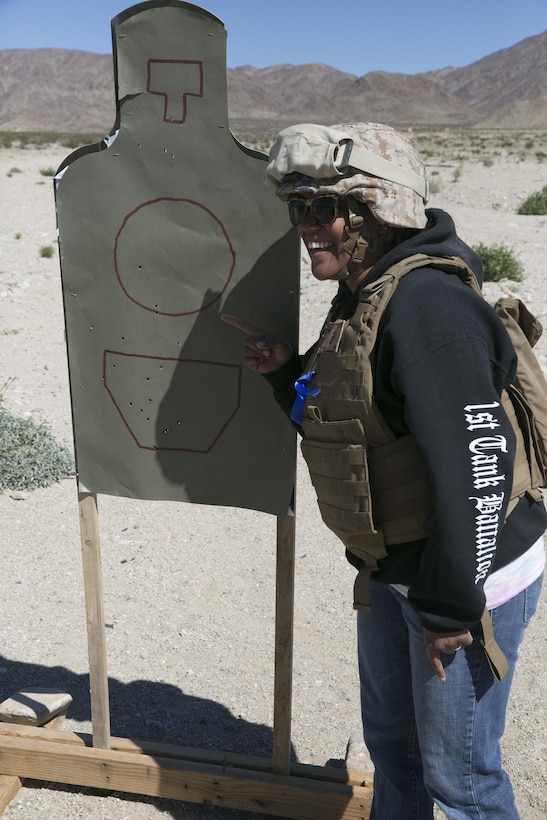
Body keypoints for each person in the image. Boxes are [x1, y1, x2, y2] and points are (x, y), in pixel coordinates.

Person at [222, 122, 546, 819]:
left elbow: (475, 468)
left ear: (378, 212)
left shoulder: (428, 309)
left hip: (462, 575)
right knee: (394, 758)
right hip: (398, 565)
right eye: (298, 208)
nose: (307, 226)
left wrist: (449, 608)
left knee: (459, 780)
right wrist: (287, 377)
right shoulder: (365, 291)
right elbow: (354, 421)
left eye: (324, 209)